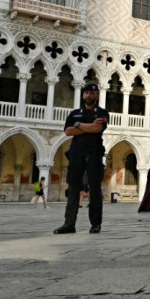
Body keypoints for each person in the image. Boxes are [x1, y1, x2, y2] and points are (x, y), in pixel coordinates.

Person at [54, 83, 109, 234]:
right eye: (87, 93)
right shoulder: (74, 113)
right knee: (73, 189)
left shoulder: (103, 113)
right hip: (76, 154)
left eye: (92, 93)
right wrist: (87, 126)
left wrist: (79, 126)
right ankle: (69, 224)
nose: (89, 95)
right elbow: (68, 131)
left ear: (97, 95)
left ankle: (95, 224)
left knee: (95, 190)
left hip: (94, 155)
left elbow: (97, 128)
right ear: (83, 94)